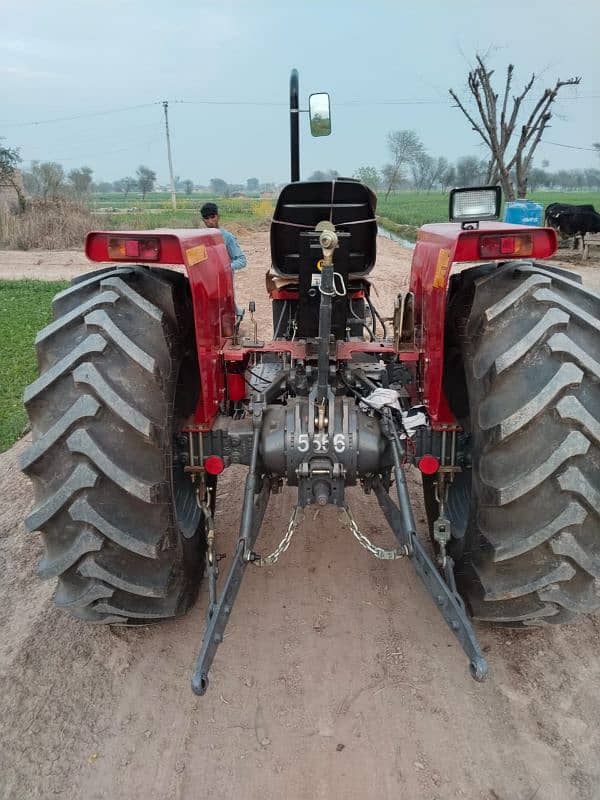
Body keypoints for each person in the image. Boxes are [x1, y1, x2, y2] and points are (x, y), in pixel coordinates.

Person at [200, 202, 247, 272]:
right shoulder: (200, 237)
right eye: (206, 218)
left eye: (212, 217)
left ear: (218, 217)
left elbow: (242, 260)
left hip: (224, 280)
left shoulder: (227, 237)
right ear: (203, 220)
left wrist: (225, 268)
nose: (210, 221)